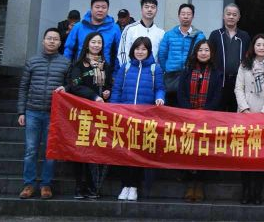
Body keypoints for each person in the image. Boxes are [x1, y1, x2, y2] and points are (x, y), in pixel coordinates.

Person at [16, 27, 70, 200]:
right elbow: (23, 87)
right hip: (32, 111)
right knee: (31, 150)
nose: (52, 41)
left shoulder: (65, 63)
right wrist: (21, 111)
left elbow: (70, 86)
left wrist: (66, 88)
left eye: (55, 39)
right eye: (49, 38)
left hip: (53, 113)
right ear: (43, 41)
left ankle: (46, 184)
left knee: (50, 151)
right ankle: (29, 184)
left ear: (60, 43)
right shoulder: (32, 61)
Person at [110, 36, 165, 202]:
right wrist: (113, 108)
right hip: (125, 117)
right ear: (132, 50)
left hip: (144, 118)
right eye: (137, 49)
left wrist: (160, 98)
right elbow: (117, 90)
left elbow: (160, 88)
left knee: (138, 153)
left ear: (149, 51)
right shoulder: (125, 67)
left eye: (143, 49)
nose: (140, 52)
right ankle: (125, 185)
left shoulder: (155, 69)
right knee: (124, 153)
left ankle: (134, 186)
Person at [61, 31, 113, 199]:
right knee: (81, 149)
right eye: (93, 42)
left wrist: (107, 91)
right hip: (82, 113)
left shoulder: (106, 65)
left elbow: (109, 84)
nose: (96, 45)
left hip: (100, 114)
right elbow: (75, 85)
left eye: (99, 42)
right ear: (87, 44)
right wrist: (94, 96)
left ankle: (93, 187)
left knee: (96, 149)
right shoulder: (79, 65)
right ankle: (79, 186)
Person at [234, 34, 264, 205]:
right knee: (245, 155)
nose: (261, 48)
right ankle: (246, 191)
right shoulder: (244, 65)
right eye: (258, 45)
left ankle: (258, 192)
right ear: (253, 47)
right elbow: (238, 88)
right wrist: (244, 108)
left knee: (262, 155)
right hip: (245, 113)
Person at [178, 38, 224, 202]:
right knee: (189, 151)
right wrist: (190, 112)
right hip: (188, 118)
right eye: (200, 50)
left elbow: (217, 96)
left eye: (207, 50)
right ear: (196, 52)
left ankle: (200, 185)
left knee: (203, 152)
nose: (203, 53)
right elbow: (181, 93)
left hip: (207, 120)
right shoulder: (187, 71)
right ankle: (190, 185)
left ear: (211, 53)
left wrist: (205, 113)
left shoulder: (217, 73)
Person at [157, 3, 204, 106]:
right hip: (171, 77)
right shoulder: (169, 35)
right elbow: (162, 55)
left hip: (190, 76)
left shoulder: (199, 36)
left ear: (193, 16)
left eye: (188, 14)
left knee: (187, 107)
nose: (185, 16)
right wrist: (168, 68)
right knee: (170, 107)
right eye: (183, 14)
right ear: (178, 16)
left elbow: (202, 58)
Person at [208, 3, 251, 112]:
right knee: (218, 112)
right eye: (228, 14)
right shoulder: (215, 35)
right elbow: (209, 57)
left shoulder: (244, 36)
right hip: (219, 81)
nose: (231, 17)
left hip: (239, 82)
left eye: (234, 15)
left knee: (236, 113)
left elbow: (249, 57)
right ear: (223, 16)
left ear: (239, 17)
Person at [64, 0, 122, 66]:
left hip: (104, 69)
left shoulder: (115, 28)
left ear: (107, 9)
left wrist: (116, 72)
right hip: (80, 69)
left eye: (104, 7)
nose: (100, 10)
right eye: (97, 7)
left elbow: (119, 52)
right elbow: (68, 49)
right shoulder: (78, 26)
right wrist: (67, 69)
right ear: (91, 8)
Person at [116, 0, 165, 68]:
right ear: (141, 9)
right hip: (132, 72)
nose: (149, 9)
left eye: (153, 7)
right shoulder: (130, 29)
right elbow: (122, 53)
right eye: (146, 7)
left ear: (156, 11)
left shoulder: (161, 33)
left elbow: (161, 56)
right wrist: (127, 70)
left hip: (152, 72)